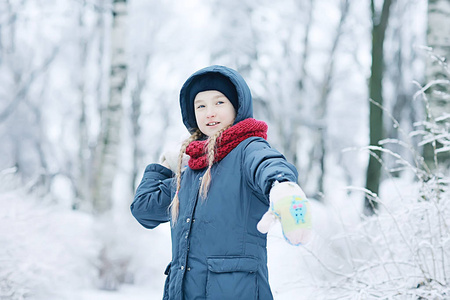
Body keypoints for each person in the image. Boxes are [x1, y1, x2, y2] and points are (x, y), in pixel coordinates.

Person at [131, 65, 311, 300]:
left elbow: (267, 163)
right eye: (201, 106)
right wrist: (164, 167)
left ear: (237, 106)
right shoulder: (191, 169)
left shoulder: (247, 148)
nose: (210, 113)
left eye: (219, 102)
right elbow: (144, 209)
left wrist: (282, 186)